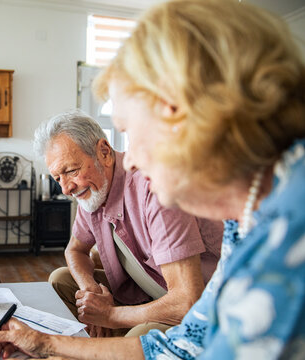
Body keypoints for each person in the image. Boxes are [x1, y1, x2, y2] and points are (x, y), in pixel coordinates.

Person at [0, 0, 305, 358]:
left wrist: (109, 317)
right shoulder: (248, 216)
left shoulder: (289, 226)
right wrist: (43, 343)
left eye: (129, 132)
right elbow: (191, 340)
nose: (129, 160)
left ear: (178, 113)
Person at [35, 110, 222, 337]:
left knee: (139, 339)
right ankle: (108, 339)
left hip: (198, 310)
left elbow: (186, 301)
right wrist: (91, 290)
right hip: (145, 292)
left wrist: (109, 316)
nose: (66, 189)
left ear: (104, 152)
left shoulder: (153, 187)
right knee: (61, 280)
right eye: (58, 178)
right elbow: (75, 250)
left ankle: (115, 339)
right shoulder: (93, 192)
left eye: (71, 171)